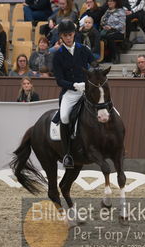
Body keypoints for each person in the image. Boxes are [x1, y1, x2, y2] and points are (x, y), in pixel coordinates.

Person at [52, 20, 96, 168]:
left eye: (70, 34)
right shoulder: (58, 55)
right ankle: (67, 154)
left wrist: (95, 75)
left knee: (104, 107)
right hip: (70, 92)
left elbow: (95, 64)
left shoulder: (83, 49)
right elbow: (59, 80)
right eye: (65, 35)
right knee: (64, 116)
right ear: (61, 37)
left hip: (87, 90)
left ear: (74, 34)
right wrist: (74, 85)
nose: (69, 38)